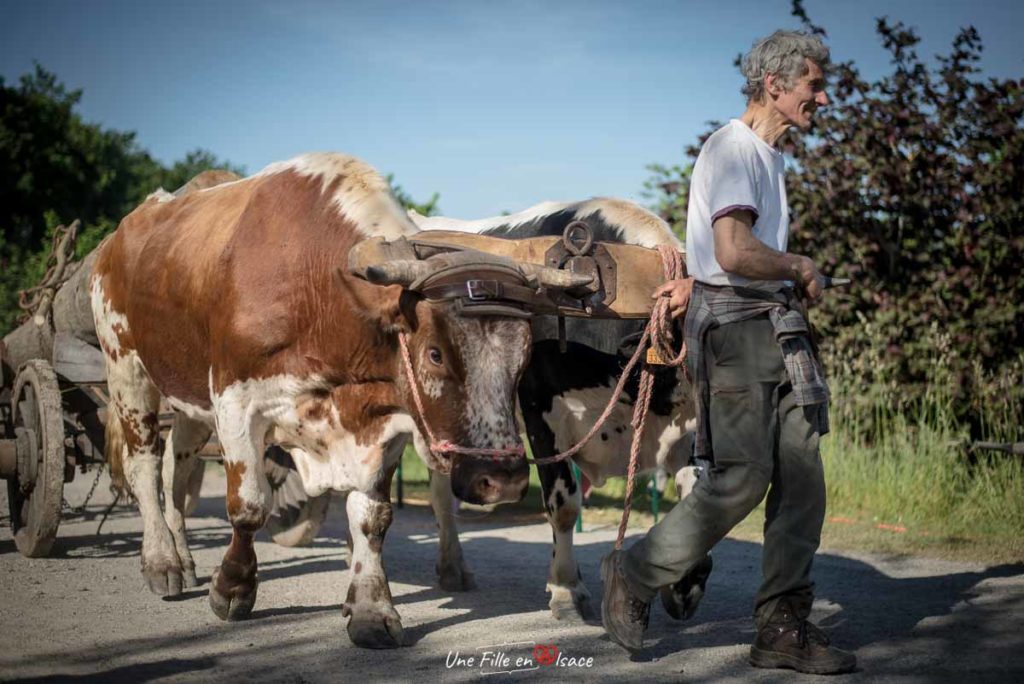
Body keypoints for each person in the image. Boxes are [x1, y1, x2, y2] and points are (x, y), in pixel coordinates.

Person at [600, 30, 856, 675]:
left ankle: (782, 627)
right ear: (774, 85)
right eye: (813, 86)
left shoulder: (769, 158)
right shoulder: (735, 149)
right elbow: (735, 252)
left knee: (802, 482)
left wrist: (785, 282)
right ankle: (634, 572)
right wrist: (797, 263)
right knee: (742, 477)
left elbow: (731, 256)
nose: (823, 99)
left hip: (776, 328)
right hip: (740, 333)